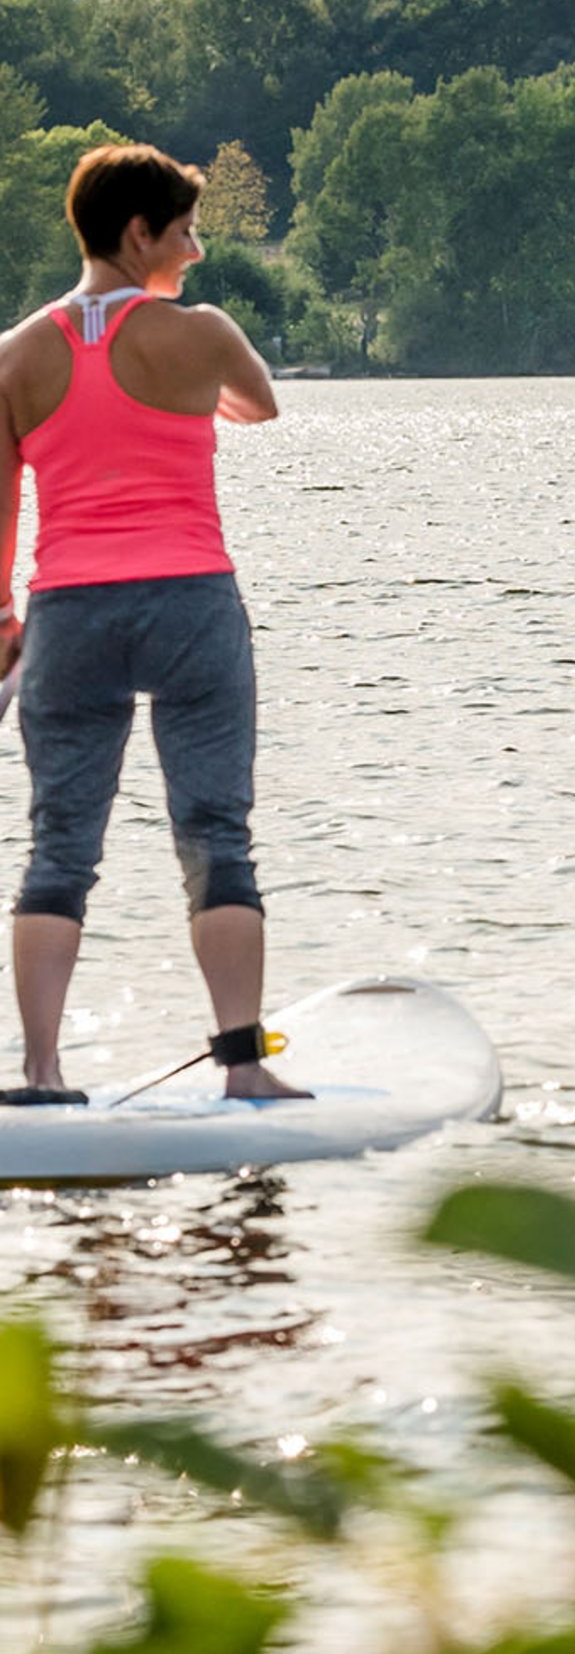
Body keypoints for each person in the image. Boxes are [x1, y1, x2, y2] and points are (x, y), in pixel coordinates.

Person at [0, 143, 307, 1104]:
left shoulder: (14, 355)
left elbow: (1, 508)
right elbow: (257, 408)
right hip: (189, 606)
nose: (199, 251)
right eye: (186, 232)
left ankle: (42, 1075)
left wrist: (3, 621)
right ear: (139, 235)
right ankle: (244, 1067)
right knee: (216, 834)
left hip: (69, 616)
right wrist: (182, 392)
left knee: (59, 846)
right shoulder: (202, 332)